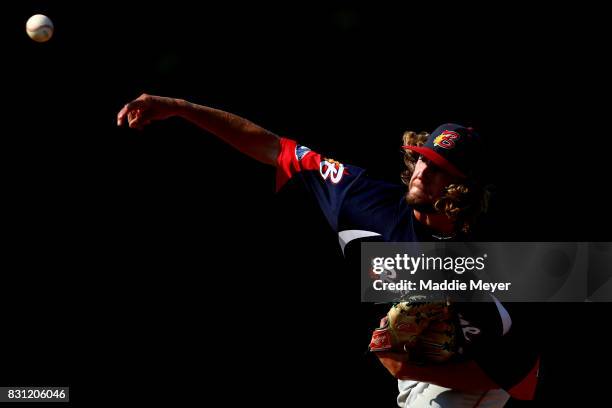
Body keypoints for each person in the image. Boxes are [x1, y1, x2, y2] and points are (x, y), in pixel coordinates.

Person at [117, 93, 541, 407]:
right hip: (430, 376)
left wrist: (404, 365)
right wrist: (180, 108)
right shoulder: (363, 199)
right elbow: (276, 148)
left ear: (459, 189)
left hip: (478, 376)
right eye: (421, 159)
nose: (421, 172)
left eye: (438, 169)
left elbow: (522, 380)